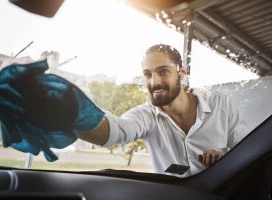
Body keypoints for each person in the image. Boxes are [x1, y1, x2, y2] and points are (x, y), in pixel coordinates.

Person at [78, 44, 249, 177]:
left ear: (182, 73)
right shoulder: (145, 115)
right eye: (148, 74)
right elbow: (114, 132)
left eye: (164, 71)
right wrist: (68, 115)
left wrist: (225, 158)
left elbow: (247, 151)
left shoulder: (221, 103)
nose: (154, 82)